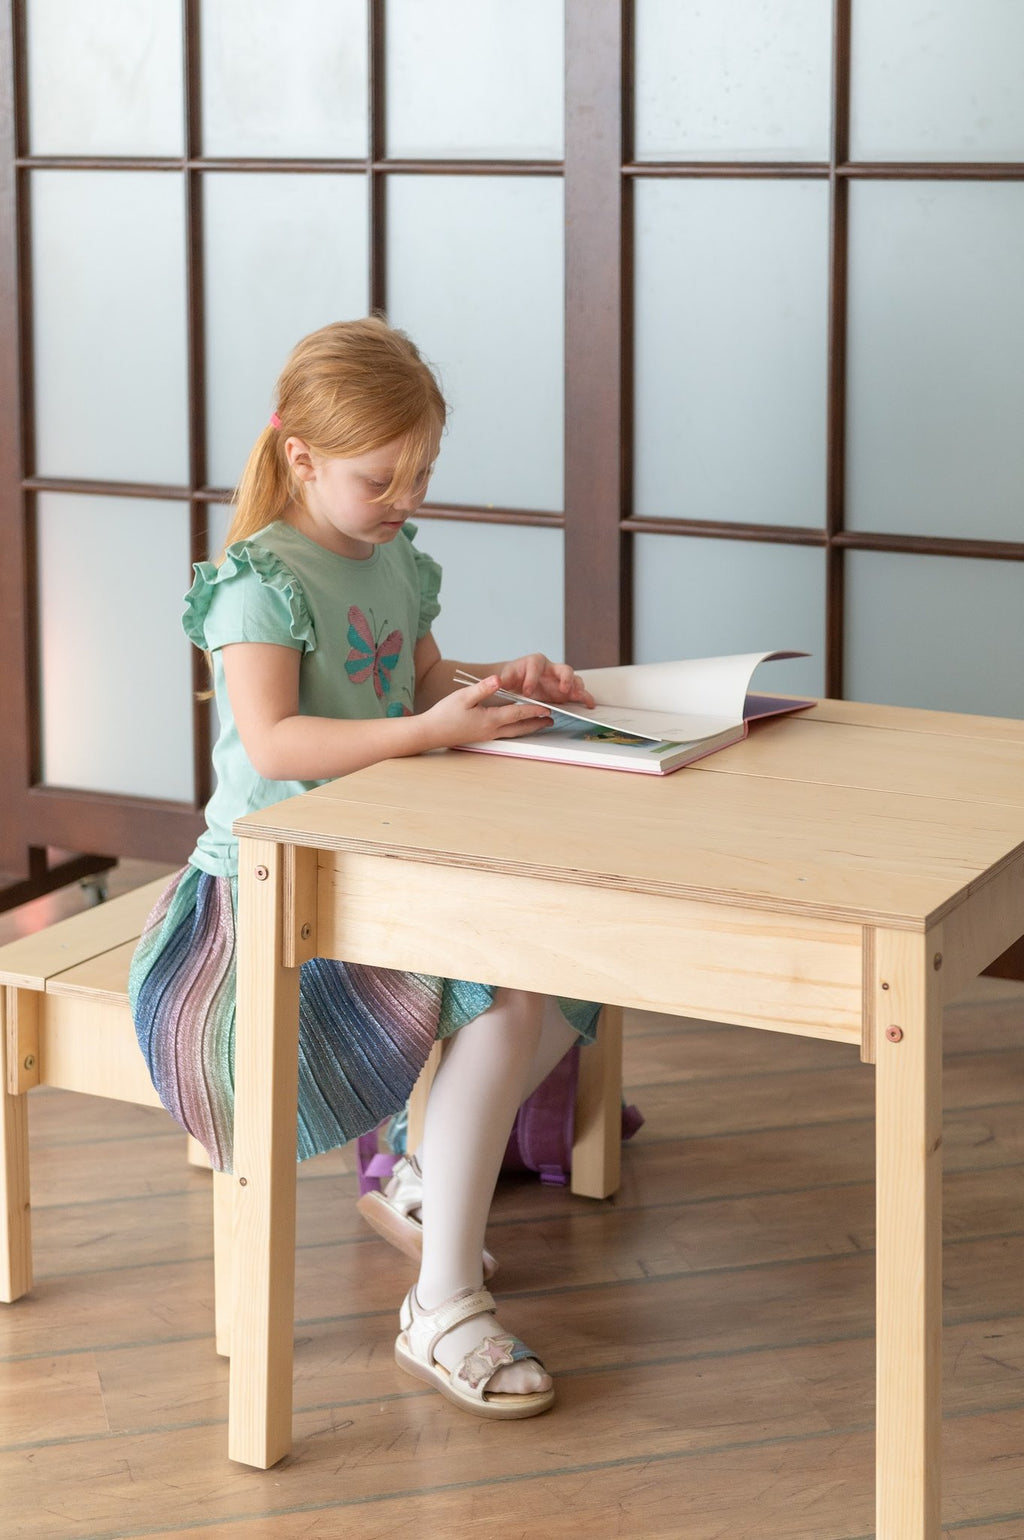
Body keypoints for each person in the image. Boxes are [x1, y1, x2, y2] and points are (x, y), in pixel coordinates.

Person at [129, 316, 602, 1421]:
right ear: (301, 456)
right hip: (266, 897)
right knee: (505, 999)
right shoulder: (257, 583)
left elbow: (422, 679)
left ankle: (429, 1166)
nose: (405, 499)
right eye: (381, 477)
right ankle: (440, 1302)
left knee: (566, 950)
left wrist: (501, 681)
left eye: (421, 474)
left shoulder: (392, 560)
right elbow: (281, 743)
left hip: (381, 861)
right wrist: (433, 732)